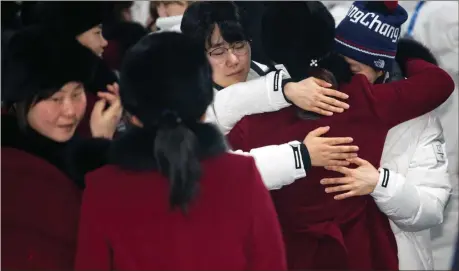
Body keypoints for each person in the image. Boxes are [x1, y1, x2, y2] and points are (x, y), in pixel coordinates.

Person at [226, 1, 455, 269]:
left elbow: (226, 176)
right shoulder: (362, 99)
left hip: (287, 255)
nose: (344, 71)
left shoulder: (253, 109)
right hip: (358, 255)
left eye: (355, 67)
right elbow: (439, 83)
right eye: (342, 60)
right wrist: (407, 55)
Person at [74, 31, 287, 270]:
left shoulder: (102, 187)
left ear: (132, 114)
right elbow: (270, 263)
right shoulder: (242, 176)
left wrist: (101, 139)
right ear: (204, 106)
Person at [180, 1, 360, 190]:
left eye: (239, 45)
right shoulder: (187, 106)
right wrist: (301, 155)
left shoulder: (272, 73)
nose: (233, 60)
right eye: (218, 51)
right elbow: (222, 171)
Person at [1, 25, 122, 270]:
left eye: (77, 94)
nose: (69, 110)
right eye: (55, 99)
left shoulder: (78, 152)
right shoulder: (13, 172)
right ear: (21, 102)